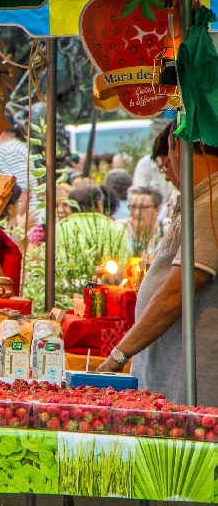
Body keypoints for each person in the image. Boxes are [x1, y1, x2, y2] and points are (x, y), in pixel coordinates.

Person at [97, 125, 218, 406]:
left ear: (176, 145)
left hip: (193, 389)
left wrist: (119, 354)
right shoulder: (198, 200)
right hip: (172, 384)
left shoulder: (213, 203)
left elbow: (176, 294)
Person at [55, 183, 131, 276]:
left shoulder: (58, 229)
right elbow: (124, 266)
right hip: (105, 288)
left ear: (70, 207)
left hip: (66, 287)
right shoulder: (117, 229)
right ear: (99, 204)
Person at [0, 121, 36, 213]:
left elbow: (25, 191)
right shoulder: (8, 149)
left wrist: (17, 223)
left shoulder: (10, 150)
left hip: (17, 221)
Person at [125, 185, 164, 257]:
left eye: (143, 207)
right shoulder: (121, 229)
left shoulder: (167, 231)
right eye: (133, 207)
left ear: (157, 209)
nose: (137, 213)